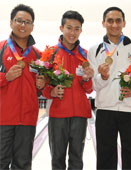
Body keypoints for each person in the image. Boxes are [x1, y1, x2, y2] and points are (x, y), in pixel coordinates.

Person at [87, 7, 131, 170]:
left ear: (124, 23)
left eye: (118, 20)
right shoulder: (95, 50)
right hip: (105, 109)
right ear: (103, 23)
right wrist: (103, 77)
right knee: (105, 156)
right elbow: (92, 84)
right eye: (110, 20)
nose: (114, 24)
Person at [41, 10, 94, 170]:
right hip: (58, 114)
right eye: (69, 27)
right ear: (61, 28)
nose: (73, 32)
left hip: (80, 114)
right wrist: (51, 92)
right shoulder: (51, 54)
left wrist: (86, 78)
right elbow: (42, 85)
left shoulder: (85, 55)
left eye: (77, 29)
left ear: (81, 31)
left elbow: (89, 89)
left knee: (77, 158)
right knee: (57, 158)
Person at [0, 4, 45, 170]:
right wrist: (5, 77)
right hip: (3, 118)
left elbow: (43, 87)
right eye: (19, 20)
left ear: (32, 26)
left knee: (23, 165)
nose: (23, 25)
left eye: (27, 22)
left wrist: (42, 85)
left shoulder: (38, 56)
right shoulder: (1, 48)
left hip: (27, 118)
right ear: (11, 23)